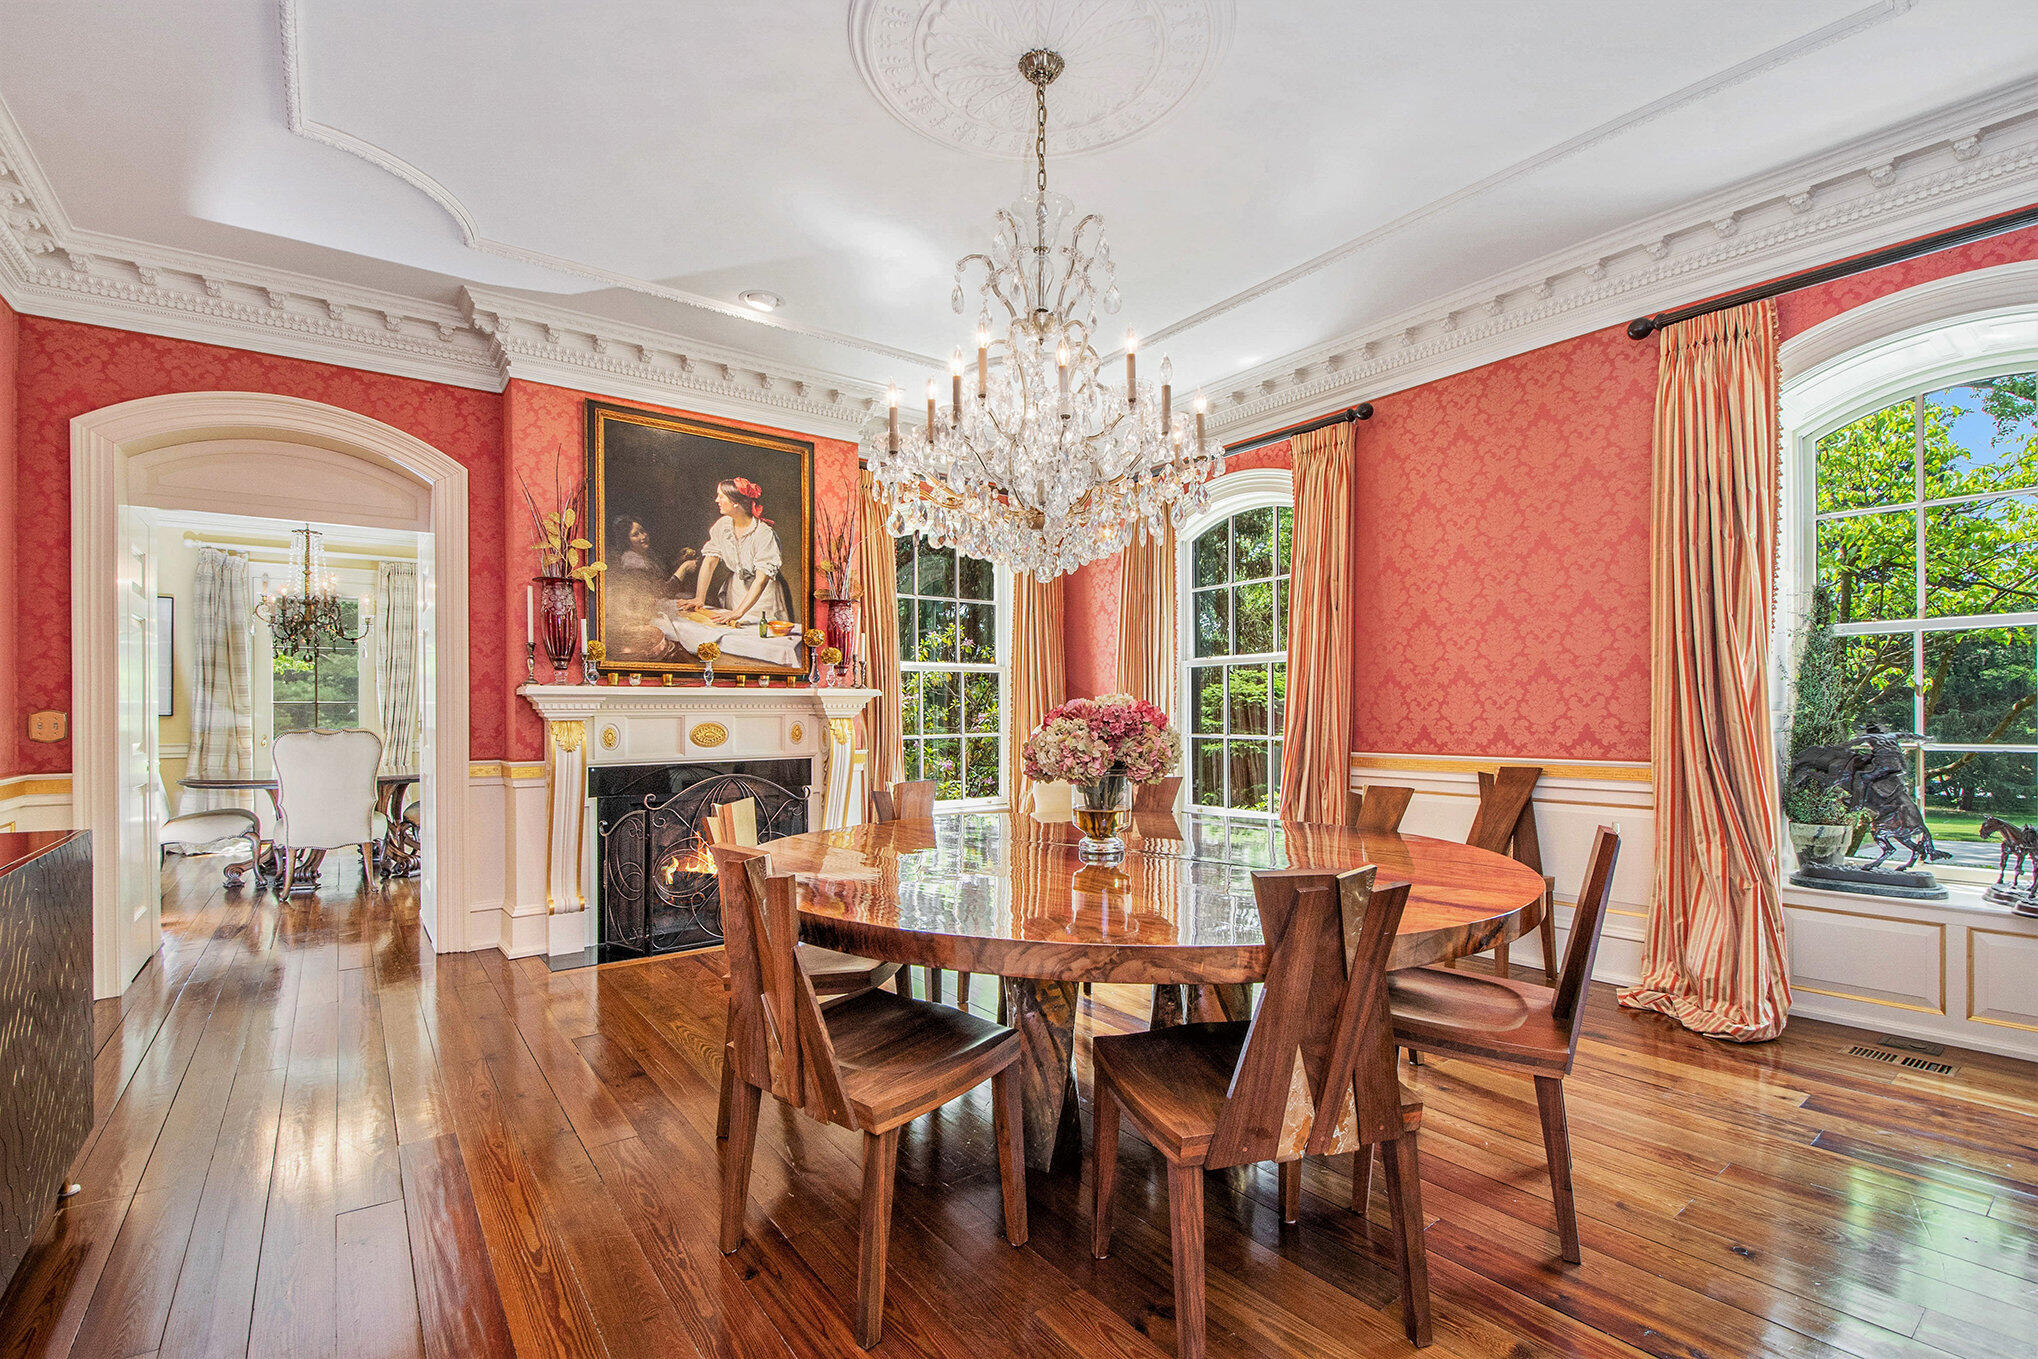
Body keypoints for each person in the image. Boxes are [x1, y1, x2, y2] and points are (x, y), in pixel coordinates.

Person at [683, 477, 789, 626]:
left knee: (759, 636)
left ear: (735, 502)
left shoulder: (763, 533)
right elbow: (709, 561)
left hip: (762, 596)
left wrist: (739, 612)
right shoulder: (723, 525)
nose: (716, 500)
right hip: (736, 591)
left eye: (721, 496)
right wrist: (700, 597)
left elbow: (761, 579)